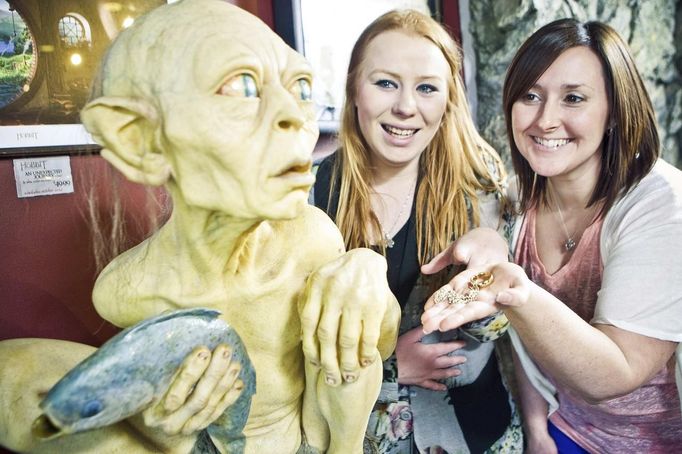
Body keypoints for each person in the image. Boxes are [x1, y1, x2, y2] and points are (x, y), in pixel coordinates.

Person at [0, 1, 401, 453]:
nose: (297, 116)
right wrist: (168, 430)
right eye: (242, 85)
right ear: (138, 140)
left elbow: (373, 349)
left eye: (300, 85)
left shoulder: (312, 236)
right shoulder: (126, 291)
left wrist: (367, 268)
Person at [421, 18, 682, 453]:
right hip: (566, 429)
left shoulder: (661, 205)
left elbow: (614, 374)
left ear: (614, 110)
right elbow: (531, 340)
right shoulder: (517, 201)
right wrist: (537, 428)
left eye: (573, 98)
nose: (545, 120)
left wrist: (517, 294)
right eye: (530, 96)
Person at [311, 10, 523, 453]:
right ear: (354, 89)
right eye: (385, 82)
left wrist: (494, 269)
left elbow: (495, 333)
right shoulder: (310, 194)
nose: (406, 106)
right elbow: (290, 339)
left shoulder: (481, 188)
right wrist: (387, 367)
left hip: (473, 433)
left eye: (426, 88)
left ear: (447, 101)